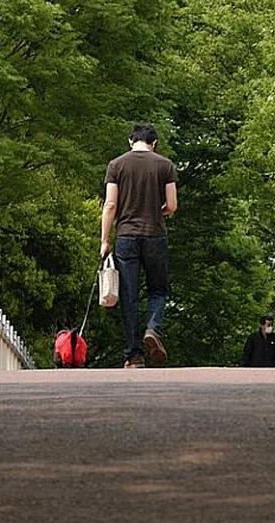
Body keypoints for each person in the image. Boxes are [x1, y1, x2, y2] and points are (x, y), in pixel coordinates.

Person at [100, 123, 178, 369]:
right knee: (158, 290)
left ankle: (134, 356)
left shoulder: (116, 165)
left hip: (126, 237)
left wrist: (105, 240)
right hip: (155, 235)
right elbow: (172, 205)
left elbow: (110, 205)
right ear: (154, 143)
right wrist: (158, 212)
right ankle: (153, 329)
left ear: (130, 141)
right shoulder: (165, 165)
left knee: (129, 296)